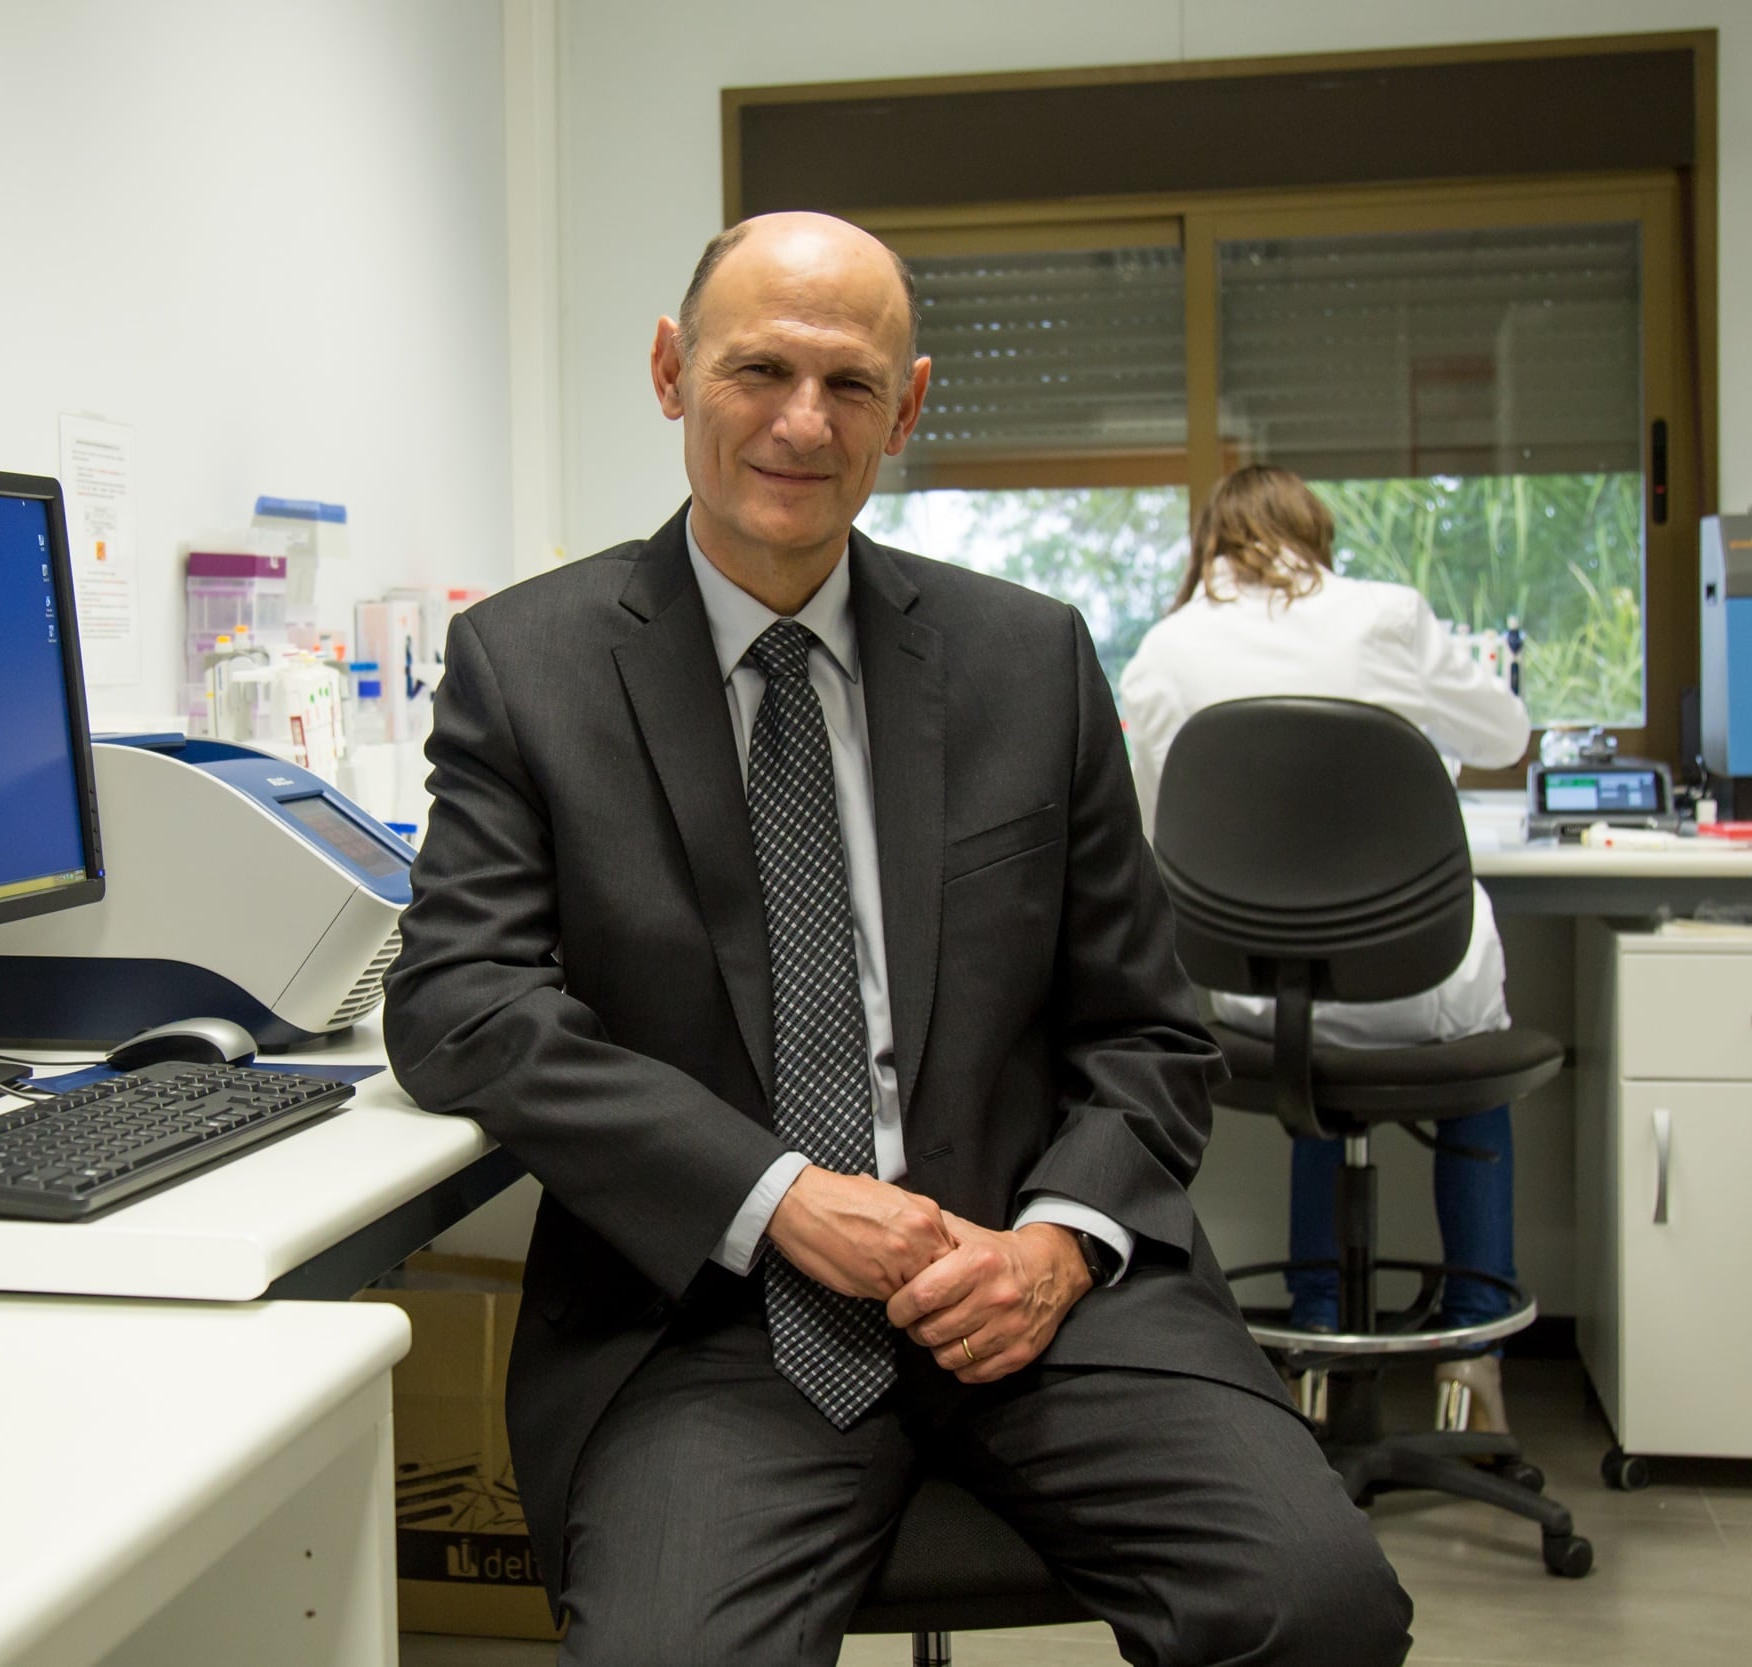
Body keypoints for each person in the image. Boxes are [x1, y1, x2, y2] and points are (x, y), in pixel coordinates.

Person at [384, 213, 1411, 1667]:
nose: (804, 421)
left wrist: (1057, 1242)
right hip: (721, 1312)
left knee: (1319, 1606)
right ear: (673, 372)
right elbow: (459, 1001)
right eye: (761, 369)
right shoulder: (532, 665)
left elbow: (1151, 1031)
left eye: (852, 384)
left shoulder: (1028, 656)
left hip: (1037, 1287)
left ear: (910, 404)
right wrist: (781, 1193)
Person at [1119, 464, 1533, 1431]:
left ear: (1211, 544)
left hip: (1262, 998)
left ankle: (1310, 1340)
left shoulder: (1168, 649)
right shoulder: (1387, 615)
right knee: (1470, 1076)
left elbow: (1151, 827)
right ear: (1315, 535)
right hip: (1419, 982)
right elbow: (1508, 731)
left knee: (1319, 1071)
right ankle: (1471, 1357)